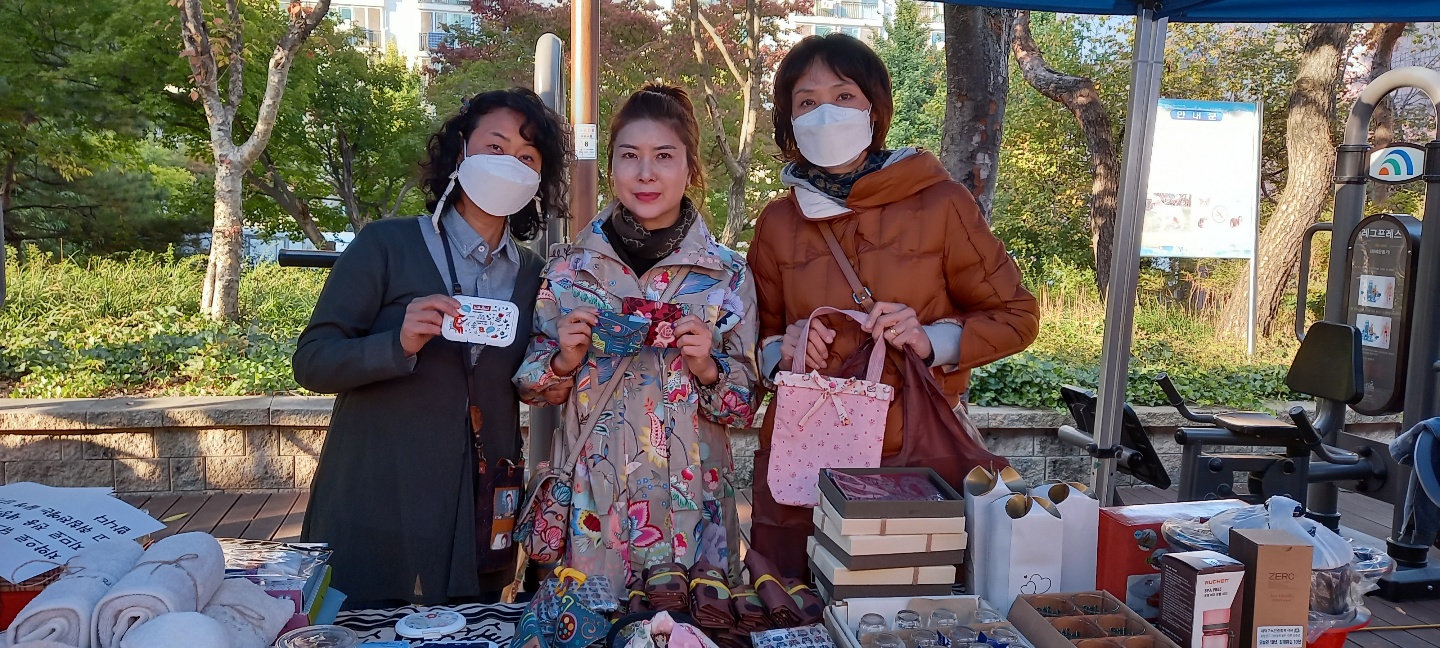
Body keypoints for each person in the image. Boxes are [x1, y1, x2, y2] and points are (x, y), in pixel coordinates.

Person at [746, 34, 1040, 577]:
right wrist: (782, 349)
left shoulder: (941, 203)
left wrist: (932, 340)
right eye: (807, 102)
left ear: (875, 110)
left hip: (911, 459)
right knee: (792, 600)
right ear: (789, 120)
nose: (826, 114)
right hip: (803, 460)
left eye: (844, 96)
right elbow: (754, 341)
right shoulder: (778, 222)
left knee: (903, 598)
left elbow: (1016, 316)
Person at [294, 88, 569, 606]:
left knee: (472, 626)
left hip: (482, 505)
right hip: (379, 495)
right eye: (495, 146)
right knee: (360, 624)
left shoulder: (537, 275)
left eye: (527, 157)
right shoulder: (386, 245)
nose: (508, 164)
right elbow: (312, 360)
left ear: (538, 180)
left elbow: (531, 379)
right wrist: (396, 343)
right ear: (461, 150)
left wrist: (562, 365)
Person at [514, 84, 758, 596]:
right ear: (612, 168)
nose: (646, 173)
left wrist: (708, 368)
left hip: (694, 512)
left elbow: (744, 406)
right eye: (630, 156)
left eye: (664, 156)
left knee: (691, 625)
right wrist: (563, 360)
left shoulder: (726, 275)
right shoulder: (570, 270)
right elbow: (532, 388)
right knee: (591, 622)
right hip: (595, 510)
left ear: (690, 169)